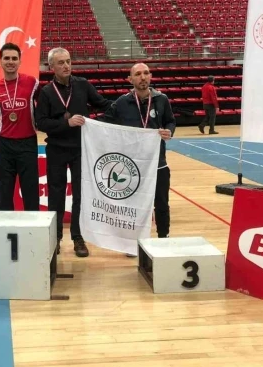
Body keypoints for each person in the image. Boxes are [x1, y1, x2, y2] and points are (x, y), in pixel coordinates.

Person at [35, 47, 113, 258]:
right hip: (57, 149)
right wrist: (66, 123)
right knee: (56, 195)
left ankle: (78, 237)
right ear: (51, 66)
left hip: (81, 149)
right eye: (61, 62)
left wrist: (128, 102)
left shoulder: (83, 84)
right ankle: (56, 237)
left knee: (81, 195)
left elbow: (103, 104)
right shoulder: (46, 92)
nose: (66, 65)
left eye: (68, 61)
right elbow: (41, 122)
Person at [101, 63, 176, 239]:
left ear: (150, 76)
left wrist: (169, 131)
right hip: (132, 165)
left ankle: (163, 238)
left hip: (157, 162)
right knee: (132, 205)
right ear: (130, 79)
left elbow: (170, 121)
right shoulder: (122, 102)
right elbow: (105, 121)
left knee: (161, 203)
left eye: (146, 73)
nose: (143, 77)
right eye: (138, 74)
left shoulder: (161, 99)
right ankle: (132, 240)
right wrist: (86, 123)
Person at [0, 42, 40, 211]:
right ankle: (5, 224)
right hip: (4, 144)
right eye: (6, 58)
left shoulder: (32, 83)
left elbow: (44, 106)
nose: (10, 62)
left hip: (28, 143)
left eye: (14, 58)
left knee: (30, 190)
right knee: (4, 191)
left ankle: (33, 224)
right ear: (0, 62)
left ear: (20, 61)